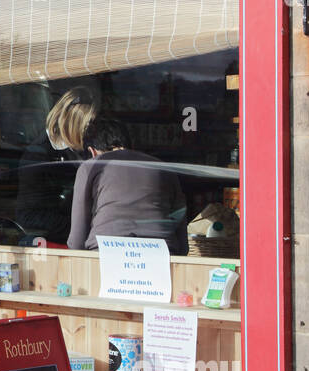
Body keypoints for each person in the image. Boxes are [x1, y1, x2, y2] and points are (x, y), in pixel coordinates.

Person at [67, 118, 187, 252]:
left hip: (105, 252)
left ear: (92, 152)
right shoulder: (163, 168)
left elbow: (77, 241)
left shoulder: (91, 167)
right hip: (162, 251)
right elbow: (182, 238)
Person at [15, 87, 97, 244]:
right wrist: (80, 227)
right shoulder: (39, 155)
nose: (90, 133)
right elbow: (28, 215)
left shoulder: (82, 150)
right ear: (73, 123)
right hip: (52, 243)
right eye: (87, 127)